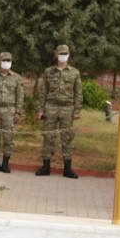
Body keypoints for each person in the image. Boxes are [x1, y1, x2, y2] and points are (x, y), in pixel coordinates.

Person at [35, 43, 83, 179]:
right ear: (56, 55)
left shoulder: (74, 72)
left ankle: (67, 169)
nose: (63, 56)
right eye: (61, 53)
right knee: (48, 136)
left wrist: (77, 110)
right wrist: (41, 109)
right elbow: (43, 91)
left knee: (67, 138)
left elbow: (78, 92)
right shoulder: (48, 71)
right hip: (51, 107)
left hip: (67, 108)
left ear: (69, 55)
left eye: (65, 54)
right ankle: (46, 167)